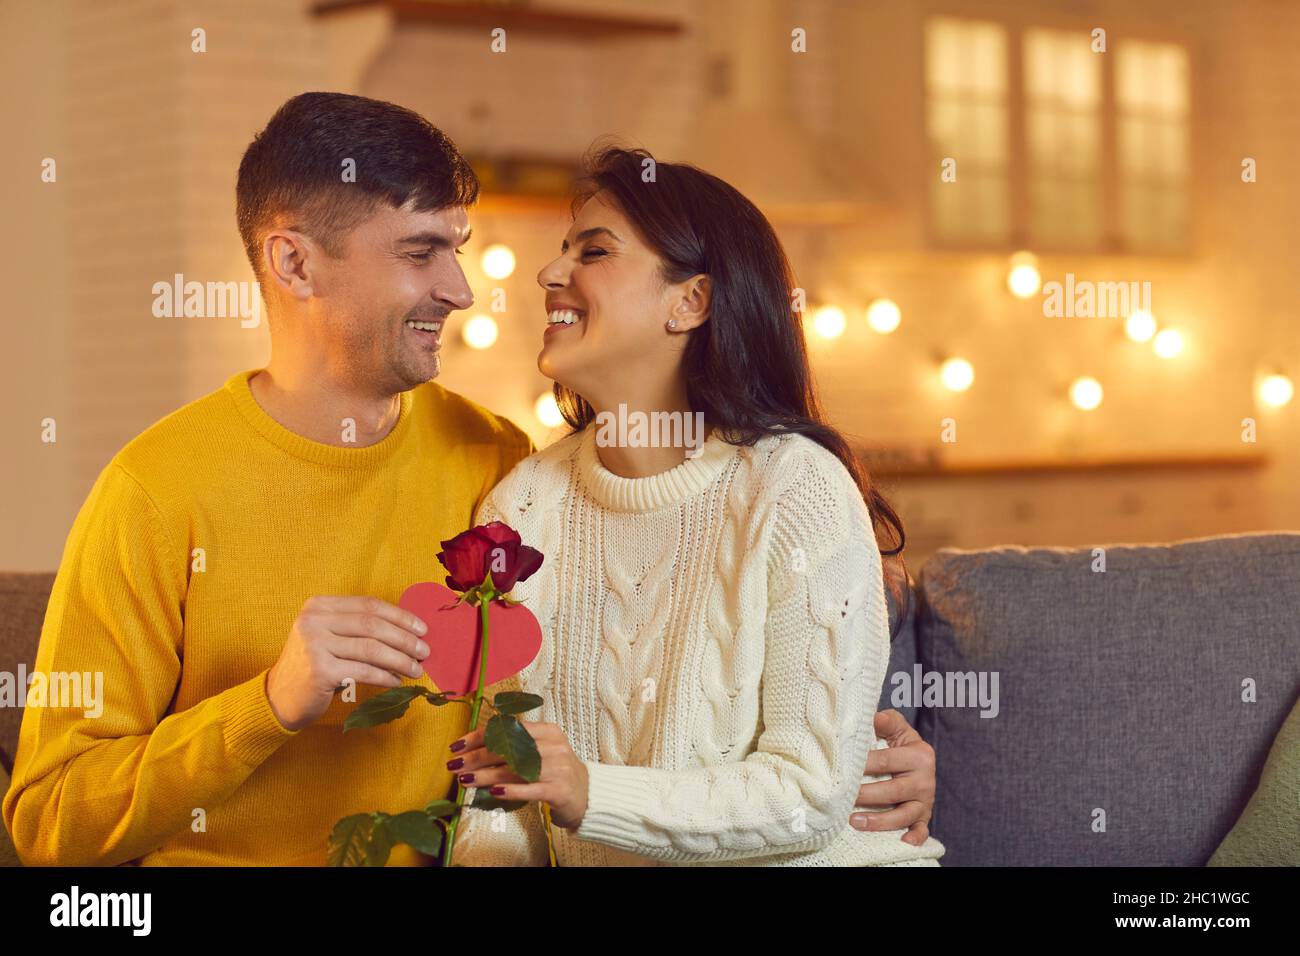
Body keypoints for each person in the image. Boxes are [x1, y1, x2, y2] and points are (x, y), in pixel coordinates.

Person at [2, 93, 934, 866]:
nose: (465, 289)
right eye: (421, 253)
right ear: (294, 262)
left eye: (458, 246)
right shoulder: (155, 492)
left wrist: (861, 754)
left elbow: (644, 696)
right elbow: (47, 827)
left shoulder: (495, 467)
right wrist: (267, 706)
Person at [450, 146, 945, 866]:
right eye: (563, 251)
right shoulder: (522, 505)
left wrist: (593, 793)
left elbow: (810, 793)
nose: (549, 274)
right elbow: (502, 787)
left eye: (594, 251)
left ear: (691, 301)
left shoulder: (794, 488)